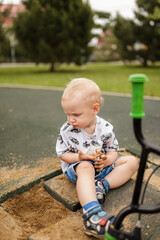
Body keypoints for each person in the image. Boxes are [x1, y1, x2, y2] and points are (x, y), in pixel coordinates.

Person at [56, 78, 139, 238]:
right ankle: (92, 215)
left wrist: (107, 160)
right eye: (67, 114)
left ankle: (101, 185)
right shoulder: (67, 130)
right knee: (85, 166)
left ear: (95, 109)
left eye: (76, 114)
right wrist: (79, 157)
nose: (70, 119)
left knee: (132, 162)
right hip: (78, 169)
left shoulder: (105, 128)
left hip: (102, 167)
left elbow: (112, 150)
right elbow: (62, 154)